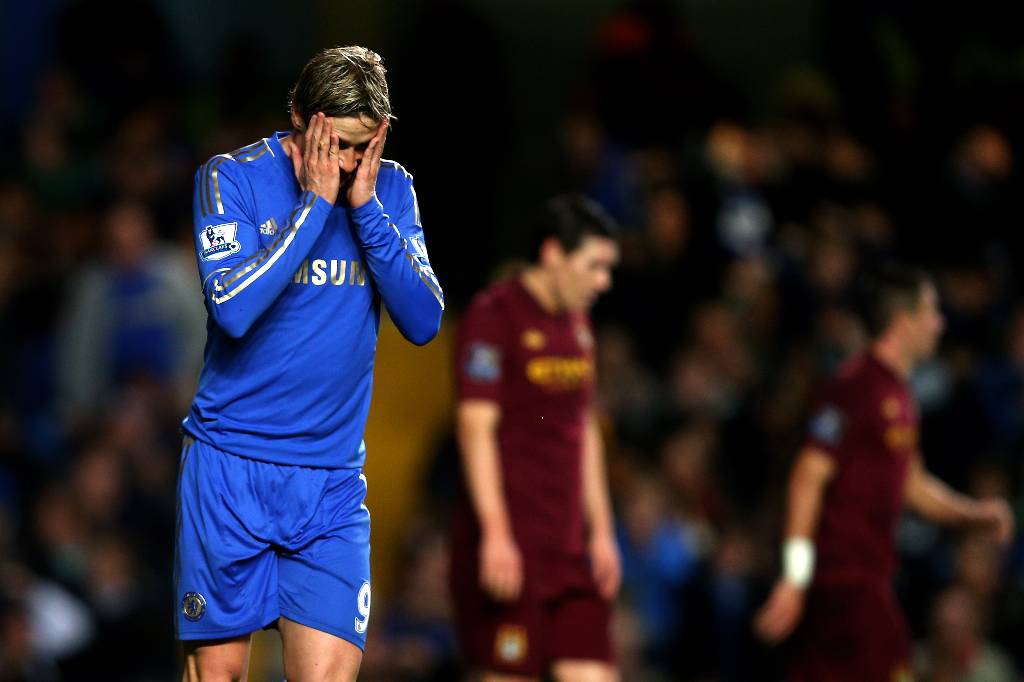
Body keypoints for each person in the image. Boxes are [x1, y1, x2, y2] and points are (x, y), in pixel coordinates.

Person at [174, 46, 444, 682]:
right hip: (229, 472)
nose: (349, 164)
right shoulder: (229, 179)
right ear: (299, 115)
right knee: (219, 677)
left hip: (329, 485)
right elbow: (233, 310)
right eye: (336, 144)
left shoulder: (389, 190)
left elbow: (425, 321)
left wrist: (367, 210)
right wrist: (315, 208)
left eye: (362, 145)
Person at [754, 265, 1014, 681]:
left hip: (864, 582)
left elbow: (914, 486)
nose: (939, 323)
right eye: (930, 311)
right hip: (842, 582)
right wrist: (795, 577)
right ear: (902, 320)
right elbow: (808, 475)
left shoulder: (898, 393)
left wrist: (976, 515)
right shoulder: (854, 387)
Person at [450, 195, 621, 682]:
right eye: (594, 266)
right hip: (510, 553)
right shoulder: (493, 315)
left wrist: (603, 530)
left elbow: (582, 428)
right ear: (552, 254)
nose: (603, 282)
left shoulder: (579, 325)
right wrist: (497, 533)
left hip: (568, 554)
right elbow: (475, 428)